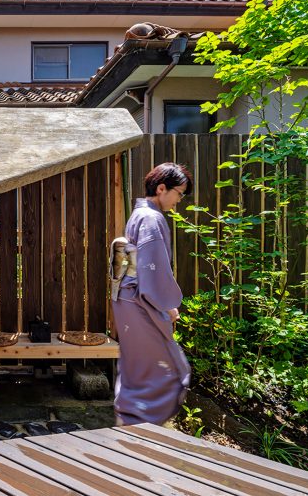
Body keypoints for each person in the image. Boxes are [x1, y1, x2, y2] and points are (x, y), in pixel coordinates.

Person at [113, 162, 192, 426]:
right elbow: (152, 269)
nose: (178, 201)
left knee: (138, 365)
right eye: (179, 194)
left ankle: (132, 421)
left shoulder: (140, 214)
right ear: (161, 189)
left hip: (128, 299)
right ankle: (142, 427)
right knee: (162, 366)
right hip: (140, 300)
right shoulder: (151, 218)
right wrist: (168, 305)